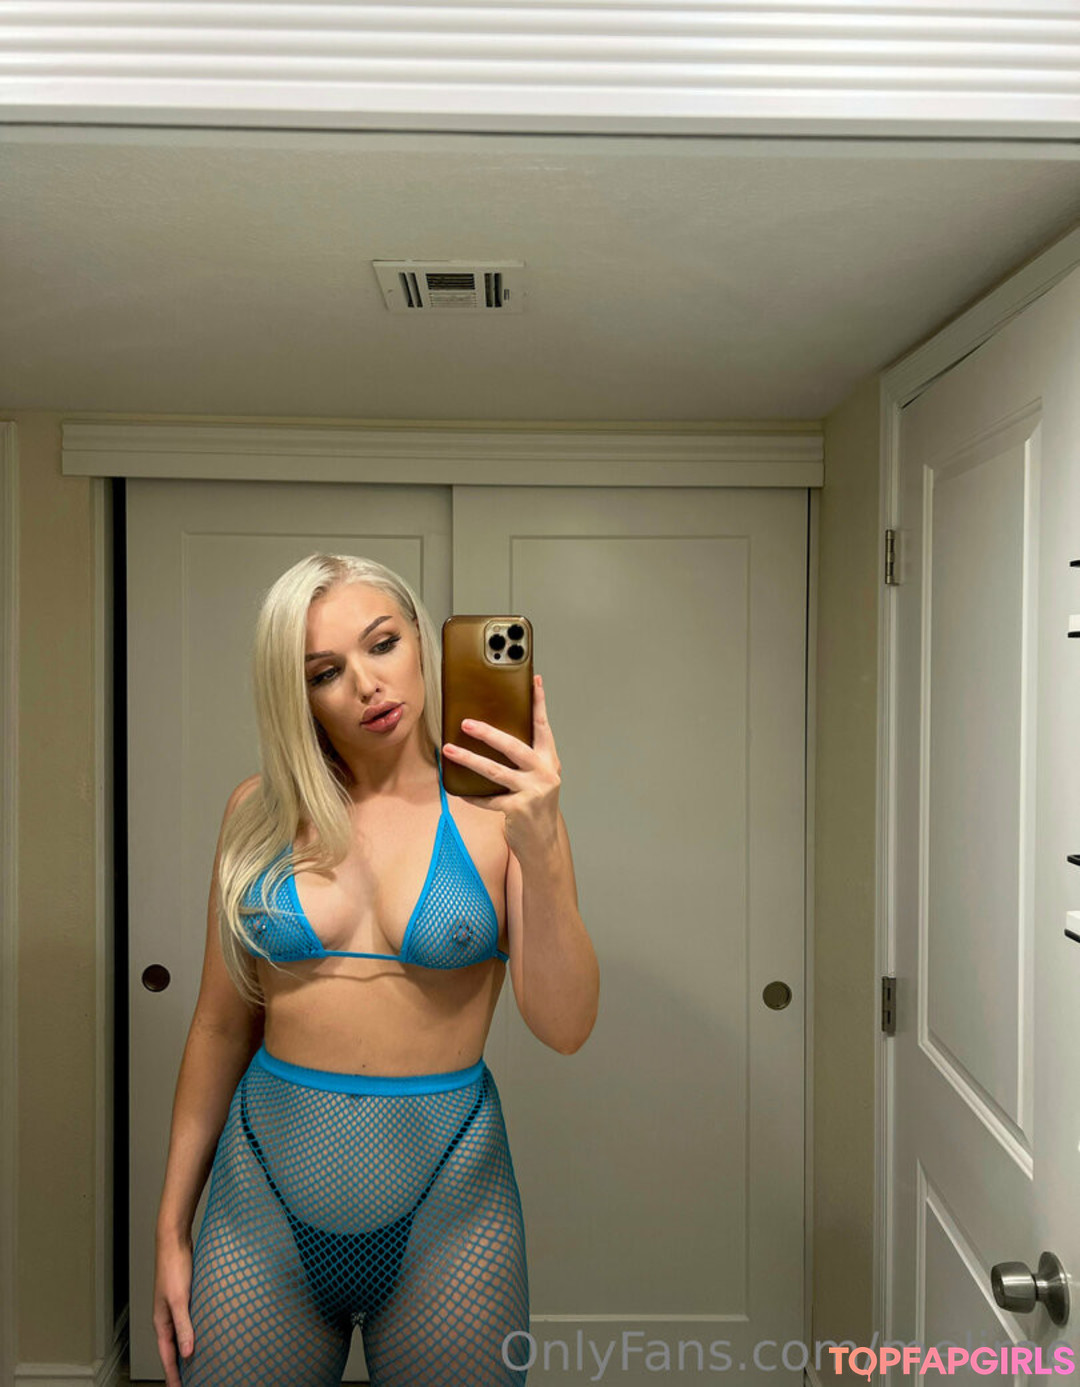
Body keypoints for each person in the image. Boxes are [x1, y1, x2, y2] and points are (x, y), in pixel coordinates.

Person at [152, 553, 599, 1386]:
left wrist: (541, 842)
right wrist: (171, 1230)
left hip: (451, 1213)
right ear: (298, 693)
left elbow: (566, 1025)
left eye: (383, 642)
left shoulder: (503, 817)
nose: (366, 684)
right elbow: (218, 1025)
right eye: (325, 671)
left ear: (424, 643)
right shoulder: (258, 812)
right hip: (259, 1208)